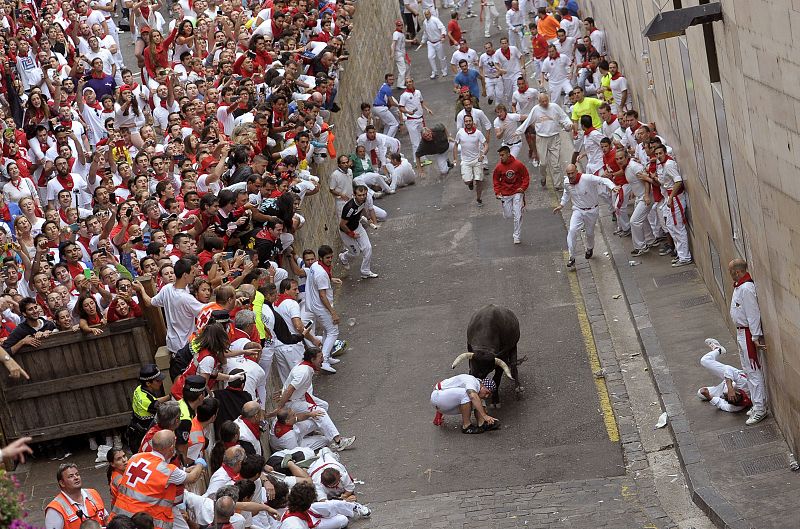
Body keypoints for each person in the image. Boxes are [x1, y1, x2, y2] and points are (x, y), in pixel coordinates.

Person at [113, 430, 207, 526]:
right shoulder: (167, 470)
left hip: (120, 519)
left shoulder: (135, 457)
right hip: (140, 521)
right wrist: (200, 463)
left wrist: (184, 470)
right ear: (171, 448)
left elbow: (152, 473)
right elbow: (192, 478)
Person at [272, 347, 356, 451]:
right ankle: (338, 441)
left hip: (299, 397)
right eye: (320, 357)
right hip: (292, 402)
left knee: (323, 406)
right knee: (320, 412)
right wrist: (279, 407)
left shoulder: (305, 367)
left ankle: (312, 432)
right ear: (312, 359)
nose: (323, 360)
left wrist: (282, 391)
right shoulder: (304, 371)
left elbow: (290, 386)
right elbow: (290, 389)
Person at [553, 164, 619, 268]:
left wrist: (613, 187)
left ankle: (590, 248)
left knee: (589, 233)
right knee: (572, 230)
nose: (570, 176)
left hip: (592, 211)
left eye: (572, 173)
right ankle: (572, 257)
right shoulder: (566, 182)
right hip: (578, 210)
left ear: (577, 171)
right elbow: (566, 193)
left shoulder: (587, 178)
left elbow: (603, 180)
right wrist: (561, 205)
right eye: (568, 174)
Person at [729, 259, 768, 425]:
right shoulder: (739, 286)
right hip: (741, 333)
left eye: (731, 272)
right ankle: (756, 403)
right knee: (747, 369)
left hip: (747, 334)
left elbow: (753, 313)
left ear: (737, 272)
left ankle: (760, 408)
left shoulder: (746, 288)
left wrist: (755, 336)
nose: (730, 275)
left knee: (753, 372)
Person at [520, 93, 572, 189]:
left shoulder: (554, 107)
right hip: (541, 138)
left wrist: (568, 124)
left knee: (555, 164)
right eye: (542, 101)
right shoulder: (536, 109)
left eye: (546, 101)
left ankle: (557, 185)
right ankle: (543, 176)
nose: (545, 103)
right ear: (539, 102)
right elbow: (528, 121)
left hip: (554, 137)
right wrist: (518, 131)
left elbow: (564, 117)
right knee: (543, 163)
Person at [279, 482, 371, 529]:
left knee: (329, 505)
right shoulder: (293, 524)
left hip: (306, 515)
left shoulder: (297, 503)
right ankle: (337, 513)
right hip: (311, 525)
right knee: (343, 520)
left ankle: (353, 506)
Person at [45, 463, 109, 529]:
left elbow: (106, 519)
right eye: (71, 476)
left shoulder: (93, 493)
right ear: (62, 483)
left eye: (77, 474)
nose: (76, 478)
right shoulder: (55, 509)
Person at [430, 374, 499, 434]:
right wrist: (485, 415)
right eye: (487, 392)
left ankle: (482, 423)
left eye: (489, 395)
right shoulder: (472, 381)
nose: (486, 396)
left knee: (478, 398)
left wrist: (439, 413)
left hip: (443, 402)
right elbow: (472, 396)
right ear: (482, 385)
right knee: (469, 394)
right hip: (438, 396)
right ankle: (466, 426)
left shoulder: (476, 387)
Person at [697, 338, 751, 413]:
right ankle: (718, 349)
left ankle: (715, 388)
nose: (729, 396)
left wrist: (707, 396)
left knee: (700, 393)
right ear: (738, 392)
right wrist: (730, 388)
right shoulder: (744, 384)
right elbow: (728, 369)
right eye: (733, 395)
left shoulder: (736, 407)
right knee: (704, 361)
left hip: (722, 387)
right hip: (732, 376)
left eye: (729, 399)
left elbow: (721, 405)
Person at [127, 364, 169, 455]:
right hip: (143, 436)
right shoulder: (147, 402)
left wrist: (169, 396)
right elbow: (162, 409)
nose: (161, 382)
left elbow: (154, 401)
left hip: (136, 428)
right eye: (158, 380)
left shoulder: (139, 389)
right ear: (148, 383)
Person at [338, 185, 377, 279]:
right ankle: (343, 257)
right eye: (360, 195)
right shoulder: (349, 208)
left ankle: (365, 271)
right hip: (346, 232)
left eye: (364, 194)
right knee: (355, 253)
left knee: (368, 248)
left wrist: (368, 218)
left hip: (358, 227)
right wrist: (352, 234)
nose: (362, 197)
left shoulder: (364, 200)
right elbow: (342, 225)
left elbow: (362, 208)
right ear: (354, 195)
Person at [492, 146, 529, 245]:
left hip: (517, 192)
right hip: (505, 194)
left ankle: (516, 236)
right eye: (500, 155)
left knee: (518, 215)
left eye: (502, 155)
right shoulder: (498, 167)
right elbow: (496, 180)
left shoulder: (518, 164)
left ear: (508, 154)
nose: (501, 157)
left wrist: (523, 188)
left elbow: (526, 176)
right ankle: (510, 209)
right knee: (508, 215)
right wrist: (497, 192)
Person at [454, 115, 489, 206]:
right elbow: (455, 144)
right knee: (467, 181)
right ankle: (470, 183)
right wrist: (455, 158)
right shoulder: (460, 132)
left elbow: (486, 145)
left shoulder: (478, 133)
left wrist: (483, 155)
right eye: (466, 121)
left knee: (479, 180)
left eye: (470, 121)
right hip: (465, 161)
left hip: (477, 160)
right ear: (464, 123)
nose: (468, 123)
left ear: (472, 122)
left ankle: (479, 198)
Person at [421, 9, 448, 79]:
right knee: (430, 57)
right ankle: (435, 72)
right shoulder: (424, 22)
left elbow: (442, 28)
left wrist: (443, 36)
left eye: (427, 14)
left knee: (441, 57)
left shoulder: (435, 20)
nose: (426, 16)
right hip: (430, 43)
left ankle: (444, 70)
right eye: (425, 15)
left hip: (438, 42)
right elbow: (425, 32)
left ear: (430, 13)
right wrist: (423, 40)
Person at [372, 74, 400, 138]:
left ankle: (384, 138)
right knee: (394, 124)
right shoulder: (388, 88)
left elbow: (388, 103)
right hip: (381, 108)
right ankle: (387, 140)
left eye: (393, 79)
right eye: (390, 79)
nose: (392, 81)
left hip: (376, 108)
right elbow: (392, 102)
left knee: (388, 124)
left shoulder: (383, 86)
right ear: (386, 80)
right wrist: (399, 105)